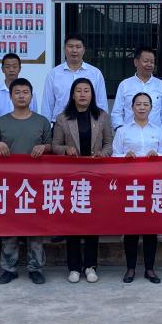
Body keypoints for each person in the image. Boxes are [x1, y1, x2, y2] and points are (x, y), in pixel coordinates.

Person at [0, 78, 52, 285]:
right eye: (17, 92)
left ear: (31, 96)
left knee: (36, 227)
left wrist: (44, 148)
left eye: (25, 92)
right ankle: (9, 268)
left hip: (36, 183)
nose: (22, 96)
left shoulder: (42, 121)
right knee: (9, 227)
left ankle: (35, 268)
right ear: (10, 96)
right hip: (9, 183)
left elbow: (52, 146)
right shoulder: (1, 122)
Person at [52, 77, 113, 283]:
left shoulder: (102, 116)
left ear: (92, 94)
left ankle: (90, 266)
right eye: (79, 91)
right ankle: (74, 267)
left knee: (92, 222)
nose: (83, 94)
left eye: (87, 90)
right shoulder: (62, 118)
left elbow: (109, 143)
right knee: (73, 222)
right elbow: (54, 145)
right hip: (72, 178)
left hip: (95, 177)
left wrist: (103, 154)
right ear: (72, 95)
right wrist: (65, 149)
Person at [112, 92, 162, 284]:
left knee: (151, 228)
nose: (142, 108)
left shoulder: (158, 130)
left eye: (146, 104)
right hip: (131, 185)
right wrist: (125, 157)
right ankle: (130, 268)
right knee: (131, 228)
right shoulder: (122, 131)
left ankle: (150, 268)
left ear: (151, 108)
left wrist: (157, 156)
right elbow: (114, 156)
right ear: (132, 107)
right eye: (138, 104)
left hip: (152, 185)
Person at [42, 33, 108, 122]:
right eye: (70, 46)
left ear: (84, 50)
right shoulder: (53, 74)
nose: (74, 50)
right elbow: (47, 105)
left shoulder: (95, 73)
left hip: (89, 124)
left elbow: (101, 103)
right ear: (64, 49)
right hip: (60, 124)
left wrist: (102, 124)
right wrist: (46, 126)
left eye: (78, 47)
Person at [110, 46, 162, 138]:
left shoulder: (161, 85)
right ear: (136, 62)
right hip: (130, 136)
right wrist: (121, 132)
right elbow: (117, 112)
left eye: (152, 62)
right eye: (146, 61)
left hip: (155, 137)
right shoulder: (125, 85)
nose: (149, 64)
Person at [0, 53, 39, 121]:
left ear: (20, 69)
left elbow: (34, 116)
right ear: (2, 69)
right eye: (7, 67)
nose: (11, 70)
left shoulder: (30, 92)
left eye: (15, 66)